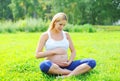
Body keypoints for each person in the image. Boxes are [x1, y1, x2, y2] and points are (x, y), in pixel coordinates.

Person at [35, 12, 96, 78]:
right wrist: (54, 51)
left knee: (91, 62)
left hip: (67, 65)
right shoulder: (45, 35)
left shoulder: (66, 35)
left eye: (64, 25)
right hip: (53, 65)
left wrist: (69, 62)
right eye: (60, 24)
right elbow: (37, 55)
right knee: (43, 65)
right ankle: (73, 72)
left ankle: (67, 76)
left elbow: (73, 51)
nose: (62, 27)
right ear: (54, 22)